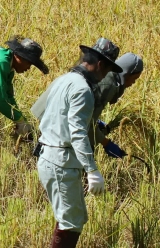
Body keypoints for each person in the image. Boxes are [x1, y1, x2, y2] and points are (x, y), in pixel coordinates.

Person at [35, 38, 122, 248]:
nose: (106, 75)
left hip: (49, 155)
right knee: (71, 222)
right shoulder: (83, 89)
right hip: (61, 161)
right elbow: (78, 134)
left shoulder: (64, 79)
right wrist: (92, 170)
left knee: (76, 218)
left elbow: (38, 111)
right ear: (101, 64)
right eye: (109, 68)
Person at [91, 52, 144, 158]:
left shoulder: (108, 77)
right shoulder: (109, 85)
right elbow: (87, 124)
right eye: (135, 78)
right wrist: (106, 143)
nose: (133, 82)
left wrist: (96, 121)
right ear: (127, 73)